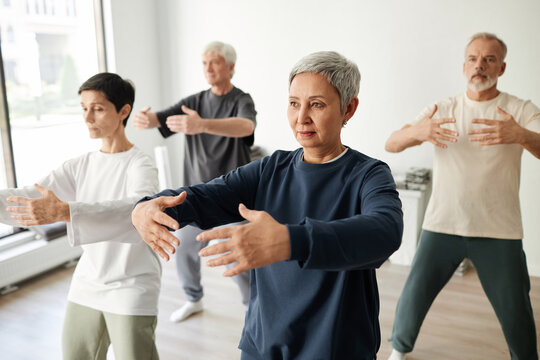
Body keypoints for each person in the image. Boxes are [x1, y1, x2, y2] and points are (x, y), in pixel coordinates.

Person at [132, 51, 403, 359]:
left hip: (333, 346)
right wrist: (150, 205)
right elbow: (207, 196)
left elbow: (386, 231)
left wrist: (291, 241)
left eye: (316, 104)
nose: (301, 118)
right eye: (293, 103)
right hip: (264, 343)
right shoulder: (270, 168)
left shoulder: (368, 174)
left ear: (348, 109)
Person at [385, 33, 540, 360]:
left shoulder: (519, 110)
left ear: (502, 67)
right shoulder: (443, 108)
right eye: (473, 58)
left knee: (516, 308)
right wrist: (419, 132)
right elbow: (392, 143)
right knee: (415, 294)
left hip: (499, 229)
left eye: (489, 59)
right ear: (464, 65)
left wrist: (521, 135)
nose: (479, 66)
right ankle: (398, 351)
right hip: (443, 223)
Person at [1, 73, 161, 359]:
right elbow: (29, 197)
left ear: (123, 111)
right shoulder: (79, 166)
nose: (88, 117)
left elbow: (135, 208)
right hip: (89, 280)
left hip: (131, 283)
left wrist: (66, 211)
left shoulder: (141, 165)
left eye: (97, 108)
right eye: (84, 108)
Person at [133, 41, 256, 322]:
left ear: (231, 68)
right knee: (184, 248)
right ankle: (193, 299)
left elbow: (246, 126)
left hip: (234, 197)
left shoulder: (241, 100)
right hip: (197, 194)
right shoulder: (195, 102)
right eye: (204, 63)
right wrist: (142, 117)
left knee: (240, 256)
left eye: (214, 62)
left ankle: (252, 306)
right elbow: (159, 118)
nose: (208, 68)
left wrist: (202, 124)